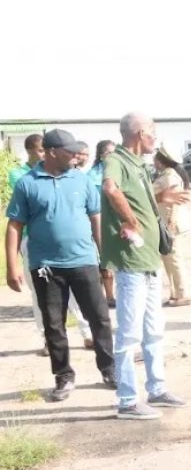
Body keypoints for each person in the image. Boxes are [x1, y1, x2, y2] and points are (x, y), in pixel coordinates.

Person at [4, 129, 115, 401]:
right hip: (46, 266)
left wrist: (105, 257)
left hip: (83, 260)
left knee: (99, 317)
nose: (76, 156)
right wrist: (12, 266)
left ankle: (109, 368)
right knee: (54, 324)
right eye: (70, 151)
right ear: (52, 152)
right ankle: (63, 376)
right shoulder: (27, 183)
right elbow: (15, 225)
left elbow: (96, 217)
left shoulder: (81, 179)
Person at [101, 112, 188, 420]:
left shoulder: (139, 165)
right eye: (153, 133)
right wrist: (129, 219)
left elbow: (135, 196)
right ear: (140, 133)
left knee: (153, 332)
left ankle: (157, 389)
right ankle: (127, 401)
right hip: (132, 263)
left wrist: (159, 196)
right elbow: (110, 188)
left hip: (149, 260)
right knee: (128, 335)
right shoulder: (117, 160)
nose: (155, 139)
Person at [7, 134, 48, 354]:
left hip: (53, 236)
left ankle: (86, 331)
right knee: (39, 289)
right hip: (31, 237)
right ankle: (47, 337)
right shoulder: (18, 175)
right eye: (40, 150)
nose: (44, 154)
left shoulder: (53, 171)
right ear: (30, 151)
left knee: (69, 287)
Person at [152, 145, 191, 306]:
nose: (153, 161)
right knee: (168, 259)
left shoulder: (170, 177)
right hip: (165, 223)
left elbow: (175, 202)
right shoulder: (165, 175)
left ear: (161, 161)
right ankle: (175, 294)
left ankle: (182, 293)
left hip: (171, 224)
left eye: (156, 158)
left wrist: (171, 223)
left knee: (174, 259)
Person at [89, 140, 117, 307]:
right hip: (100, 223)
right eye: (109, 153)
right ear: (101, 156)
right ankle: (108, 296)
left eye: (115, 153)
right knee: (103, 261)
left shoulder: (118, 171)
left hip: (117, 222)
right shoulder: (92, 177)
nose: (113, 156)